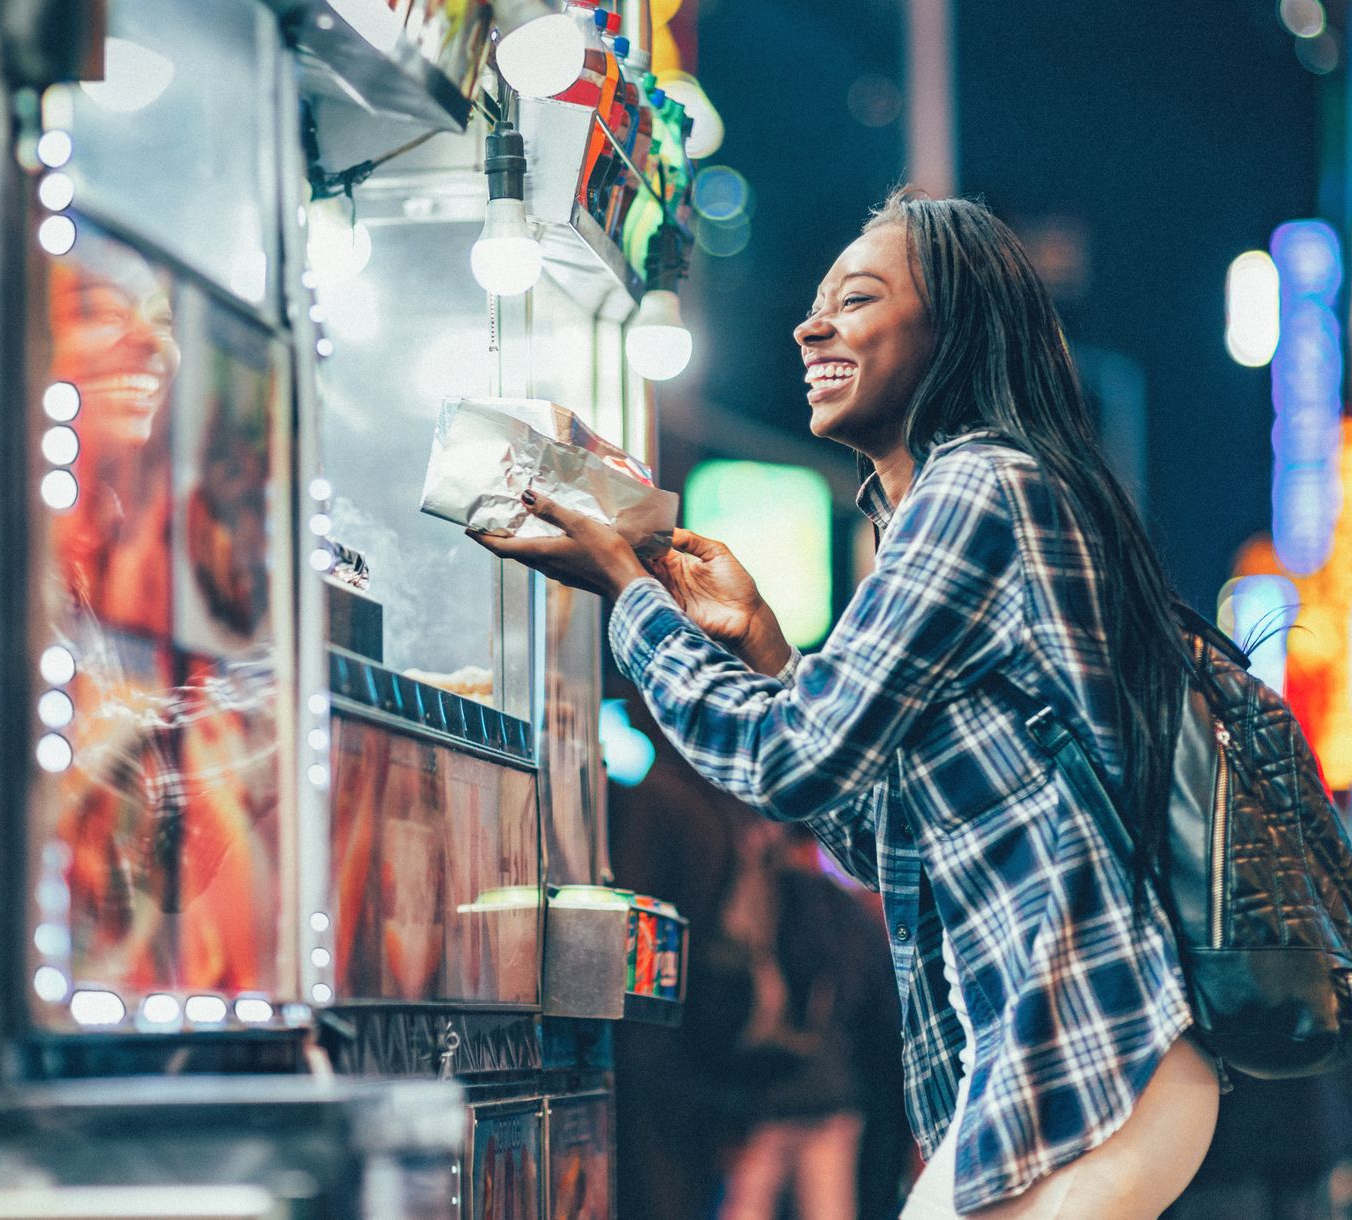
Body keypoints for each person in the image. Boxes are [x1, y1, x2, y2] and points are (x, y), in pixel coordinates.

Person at [469, 191, 1220, 1217]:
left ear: (950, 328)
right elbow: (876, 843)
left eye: (855, 299)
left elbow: (787, 761)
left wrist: (629, 595)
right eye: (814, 301)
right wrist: (768, 647)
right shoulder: (956, 506)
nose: (808, 324)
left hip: (1087, 1059)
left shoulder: (979, 488)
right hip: (1057, 1071)